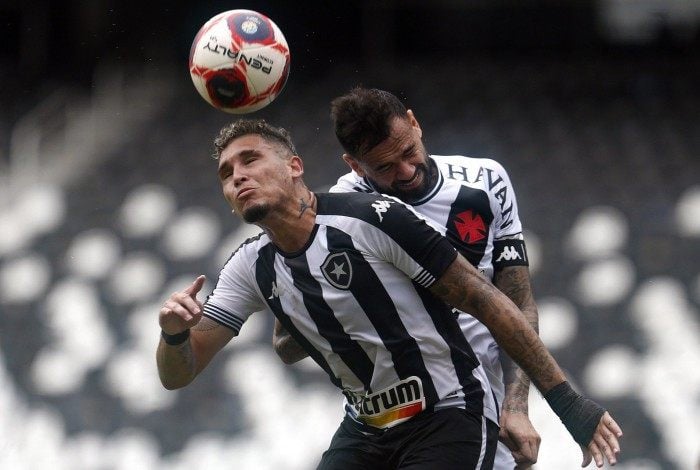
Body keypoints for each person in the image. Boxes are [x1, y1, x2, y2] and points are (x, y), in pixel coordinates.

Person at [156, 119, 622, 469]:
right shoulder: (248, 266)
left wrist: (567, 405)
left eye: (250, 160)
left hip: (448, 411)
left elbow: (490, 301)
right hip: (368, 427)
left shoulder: (374, 218)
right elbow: (181, 372)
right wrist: (174, 335)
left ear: (295, 166)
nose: (237, 176)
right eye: (226, 172)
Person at [273, 87, 539, 469]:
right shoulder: (339, 211)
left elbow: (518, 301)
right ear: (354, 165)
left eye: (409, 152)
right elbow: (285, 344)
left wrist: (517, 406)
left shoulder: (485, 181)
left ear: (414, 123)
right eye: (384, 167)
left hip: (476, 411)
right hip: (388, 420)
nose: (408, 172)